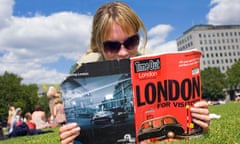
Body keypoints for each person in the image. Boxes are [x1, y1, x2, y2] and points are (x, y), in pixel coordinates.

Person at [59, 2, 210, 144]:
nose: (123, 53)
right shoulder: (84, 69)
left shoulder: (151, 60)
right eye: (112, 46)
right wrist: (71, 138)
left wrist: (199, 125)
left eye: (131, 42)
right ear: (100, 45)